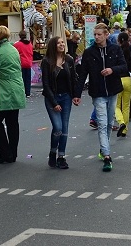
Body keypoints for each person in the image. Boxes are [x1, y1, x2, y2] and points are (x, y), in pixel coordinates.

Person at [78, 23, 127, 172]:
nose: (96, 37)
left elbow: (124, 66)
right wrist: (77, 94)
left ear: (106, 35)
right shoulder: (89, 52)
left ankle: (103, 148)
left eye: (99, 34)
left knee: (109, 122)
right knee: (102, 123)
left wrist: (112, 70)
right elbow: (83, 74)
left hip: (113, 90)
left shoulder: (115, 49)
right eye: (95, 34)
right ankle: (107, 155)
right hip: (97, 92)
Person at [0, 26, 26, 164]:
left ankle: (5, 153)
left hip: (3, 91)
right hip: (16, 90)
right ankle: (13, 154)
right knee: (12, 123)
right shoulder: (13, 49)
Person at [40, 36, 81, 169]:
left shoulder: (68, 59)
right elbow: (46, 84)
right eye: (59, 43)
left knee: (64, 128)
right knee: (57, 127)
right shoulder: (47, 61)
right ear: (53, 45)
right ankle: (53, 152)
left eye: (63, 42)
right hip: (52, 98)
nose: (62, 44)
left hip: (66, 97)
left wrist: (76, 95)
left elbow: (73, 78)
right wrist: (54, 103)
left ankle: (61, 156)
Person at [112, 32, 131, 137]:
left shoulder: (117, 51)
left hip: (118, 79)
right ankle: (125, 130)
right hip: (128, 79)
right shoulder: (130, 51)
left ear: (119, 40)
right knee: (126, 106)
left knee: (116, 105)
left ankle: (121, 122)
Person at [13, 30, 34, 97]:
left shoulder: (17, 44)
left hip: (21, 64)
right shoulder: (30, 44)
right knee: (28, 79)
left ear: (19, 36)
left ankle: (22, 92)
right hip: (28, 63)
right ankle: (28, 93)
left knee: (21, 79)